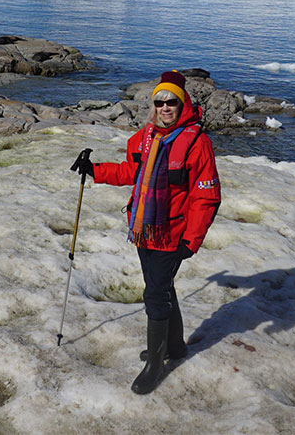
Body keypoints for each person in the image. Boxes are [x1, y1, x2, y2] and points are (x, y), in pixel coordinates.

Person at [70, 70, 221, 394]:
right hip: (143, 227)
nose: (165, 107)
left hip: (173, 233)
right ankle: (176, 347)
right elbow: (131, 172)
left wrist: (191, 240)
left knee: (154, 294)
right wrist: (95, 170)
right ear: (154, 105)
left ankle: (156, 364)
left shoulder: (197, 143)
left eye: (172, 102)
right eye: (160, 102)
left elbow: (205, 195)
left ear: (182, 105)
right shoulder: (146, 137)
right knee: (161, 286)